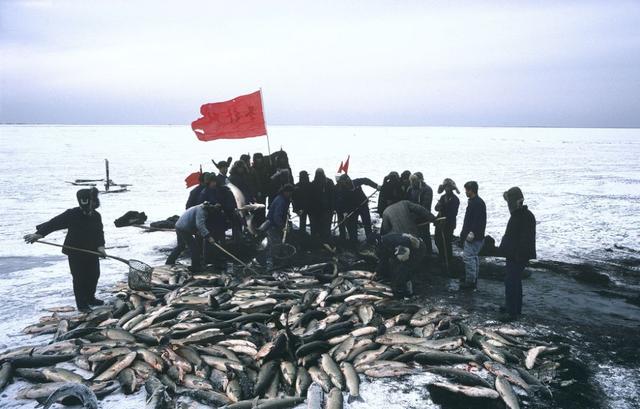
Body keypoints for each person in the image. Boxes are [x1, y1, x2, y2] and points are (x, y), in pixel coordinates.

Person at [24, 188, 106, 312]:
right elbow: (54, 223)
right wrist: (39, 234)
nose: (87, 206)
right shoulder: (72, 214)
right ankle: (82, 305)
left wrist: (101, 247)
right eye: (83, 202)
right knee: (79, 278)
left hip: (91, 251)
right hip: (75, 251)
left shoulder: (96, 216)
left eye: (88, 202)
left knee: (94, 275)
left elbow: (99, 233)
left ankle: (90, 298)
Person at [497, 187, 536, 321]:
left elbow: (526, 239)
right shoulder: (519, 215)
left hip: (518, 255)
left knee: (511, 281)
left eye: (510, 201)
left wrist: (519, 255)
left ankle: (512, 311)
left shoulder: (525, 216)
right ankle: (513, 308)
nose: (508, 205)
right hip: (514, 254)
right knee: (514, 281)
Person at [166, 202, 220, 273]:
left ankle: (169, 262)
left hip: (179, 225)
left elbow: (196, 224)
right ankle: (195, 267)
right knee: (194, 247)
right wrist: (208, 236)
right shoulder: (201, 211)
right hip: (183, 228)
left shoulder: (200, 207)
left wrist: (200, 233)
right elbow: (200, 225)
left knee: (181, 246)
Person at [375, 232, 426, 298]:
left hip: (418, 248)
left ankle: (407, 292)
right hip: (406, 249)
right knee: (399, 268)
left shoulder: (393, 240)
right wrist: (376, 271)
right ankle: (401, 287)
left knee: (404, 268)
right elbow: (384, 257)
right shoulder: (383, 243)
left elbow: (408, 242)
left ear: (376, 241)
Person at [459, 181, 487, 289]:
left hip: (474, 236)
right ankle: (473, 279)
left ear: (472, 190)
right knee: (473, 258)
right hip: (477, 235)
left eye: (467, 190)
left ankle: (470, 281)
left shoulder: (476, 203)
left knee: (469, 258)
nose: (466, 192)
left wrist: (472, 233)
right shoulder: (476, 202)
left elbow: (477, 220)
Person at [434, 178, 460, 270]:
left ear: (451, 188)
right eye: (445, 187)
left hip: (449, 224)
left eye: (448, 187)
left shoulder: (455, 199)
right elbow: (436, 208)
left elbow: (453, 213)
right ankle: (441, 257)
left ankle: (448, 260)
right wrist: (438, 206)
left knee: (447, 242)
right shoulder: (442, 197)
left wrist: (444, 207)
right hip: (440, 222)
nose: (446, 189)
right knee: (438, 240)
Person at [265, 184, 294, 267]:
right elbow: (276, 216)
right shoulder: (280, 201)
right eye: (289, 193)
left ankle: (276, 260)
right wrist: (282, 227)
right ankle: (271, 263)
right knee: (275, 244)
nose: (290, 195)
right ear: (285, 192)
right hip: (272, 225)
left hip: (275, 224)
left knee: (277, 243)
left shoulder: (283, 199)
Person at [406, 173, 434, 254]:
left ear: (420, 180)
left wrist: (417, 215)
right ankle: (416, 253)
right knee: (413, 236)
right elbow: (407, 201)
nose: (412, 183)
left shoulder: (427, 189)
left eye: (414, 181)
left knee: (425, 236)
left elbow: (425, 205)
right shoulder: (410, 188)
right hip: (412, 217)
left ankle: (428, 254)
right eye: (411, 181)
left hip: (423, 217)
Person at [308, 168, 335, 244]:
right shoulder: (314, 184)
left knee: (325, 228)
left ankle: (325, 242)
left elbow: (332, 196)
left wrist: (332, 208)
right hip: (318, 210)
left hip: (326, 209)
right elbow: (311, 198)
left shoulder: (328, 182)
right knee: (319, 228)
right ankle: (320, 243)